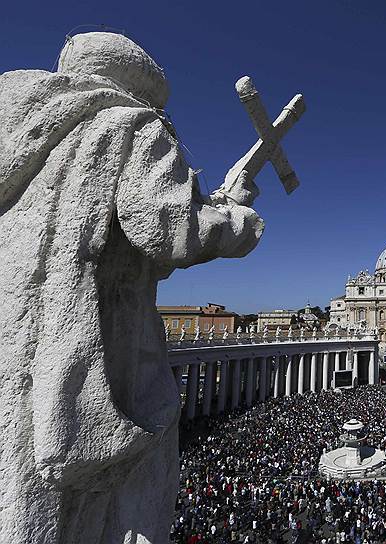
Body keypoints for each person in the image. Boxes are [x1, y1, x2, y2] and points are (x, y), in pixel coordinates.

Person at [0, 31, 263, 543]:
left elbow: (131, 251)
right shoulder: (131, 123)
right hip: (94, 353)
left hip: (13, 348)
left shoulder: (21, 132)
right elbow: (170, 230)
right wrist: (239, 219)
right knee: (124, 502)